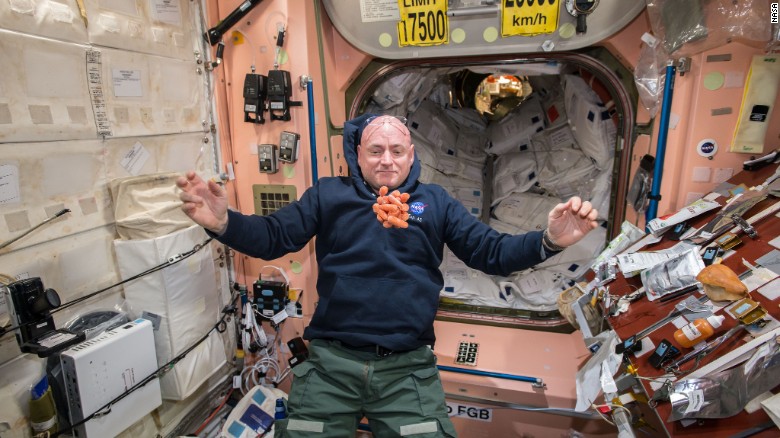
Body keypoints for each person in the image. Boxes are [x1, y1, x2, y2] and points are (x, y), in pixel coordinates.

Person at [177, 114, 599, 437]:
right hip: (330, 365)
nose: (386, 160)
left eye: (397, 150)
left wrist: (549, 241)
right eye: (375, 150)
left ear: (412, 154)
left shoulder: (435, 203)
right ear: (357, 154)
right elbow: (272, 238)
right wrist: (223, 223)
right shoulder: (329, 195)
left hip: (406, 370)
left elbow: (491, 252)